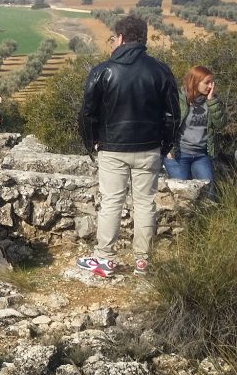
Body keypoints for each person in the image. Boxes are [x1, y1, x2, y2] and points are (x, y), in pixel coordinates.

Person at [77, 15, 180, 277]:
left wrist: (92, 143)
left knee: (112, 202)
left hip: (112, 147)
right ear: (143, 39)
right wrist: (164, 144)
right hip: (148, 148)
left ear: (120, 38)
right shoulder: (160, 70)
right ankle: (142, 262)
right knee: (145, 203)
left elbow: (88, 113)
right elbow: (172, 115)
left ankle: (105, 259)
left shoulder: (102, 70)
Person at [163, 65, 226, 195]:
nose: (210, 86)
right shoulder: (179, 99)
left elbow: (221, 124)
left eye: (212, 82)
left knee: (208, 194)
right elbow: (166, 123)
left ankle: (210, 215)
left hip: (201, 155)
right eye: (207, 82)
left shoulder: (212, 100)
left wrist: (211, 101)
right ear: (195, 82)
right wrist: (168, 148)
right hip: (178, 155)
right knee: (183, 195)